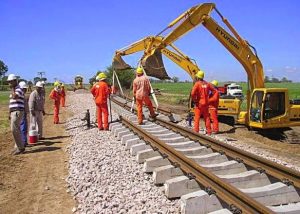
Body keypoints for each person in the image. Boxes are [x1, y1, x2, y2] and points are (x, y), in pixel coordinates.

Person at [191, 70, 216, 135]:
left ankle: (196, 131)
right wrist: (210, 98)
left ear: (198, 77)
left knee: (197, 117)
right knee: (207, 117)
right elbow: (214, 91)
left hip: (199, 104)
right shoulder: (208, 84)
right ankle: (209, 131)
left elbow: (192, 93)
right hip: (206, 104)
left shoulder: (197, 84)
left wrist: (194, 100)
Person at [7, 74, 25, 155]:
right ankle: (18, 146)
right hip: (14, 111)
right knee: (16, 129)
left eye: (10, 82)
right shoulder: (14, 89)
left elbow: (15, 97)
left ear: (15, 81)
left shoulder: (18, 89)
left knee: (14, 129)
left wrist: (13, 88)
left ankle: (20, 147)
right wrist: (9, 112)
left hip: (17, 111)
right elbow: (11, 102)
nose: (9, 83)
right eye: (9, 82)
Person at [19, 81, 29, 146]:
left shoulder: (23, 95)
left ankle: (24, 141)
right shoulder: (20, 96)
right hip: (21, 113)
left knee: (25, 127)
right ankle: (23, 142)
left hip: (24, 113)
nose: (25, 90)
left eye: (25, 89)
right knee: (23, 127)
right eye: (24, 89)